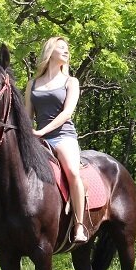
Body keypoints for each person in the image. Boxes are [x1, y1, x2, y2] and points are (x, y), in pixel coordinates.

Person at [26, 36, 88, 244]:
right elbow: (27, 117)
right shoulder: (32, 84)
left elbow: (67, 113)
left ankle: (79, 226)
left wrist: (41, 131)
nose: (66, 51)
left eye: (67, 49)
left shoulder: (71, 82)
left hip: (62, 136)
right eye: (61, 48)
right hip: (37, 137)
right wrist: (27, 134)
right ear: (50, 51)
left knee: (72, 171)